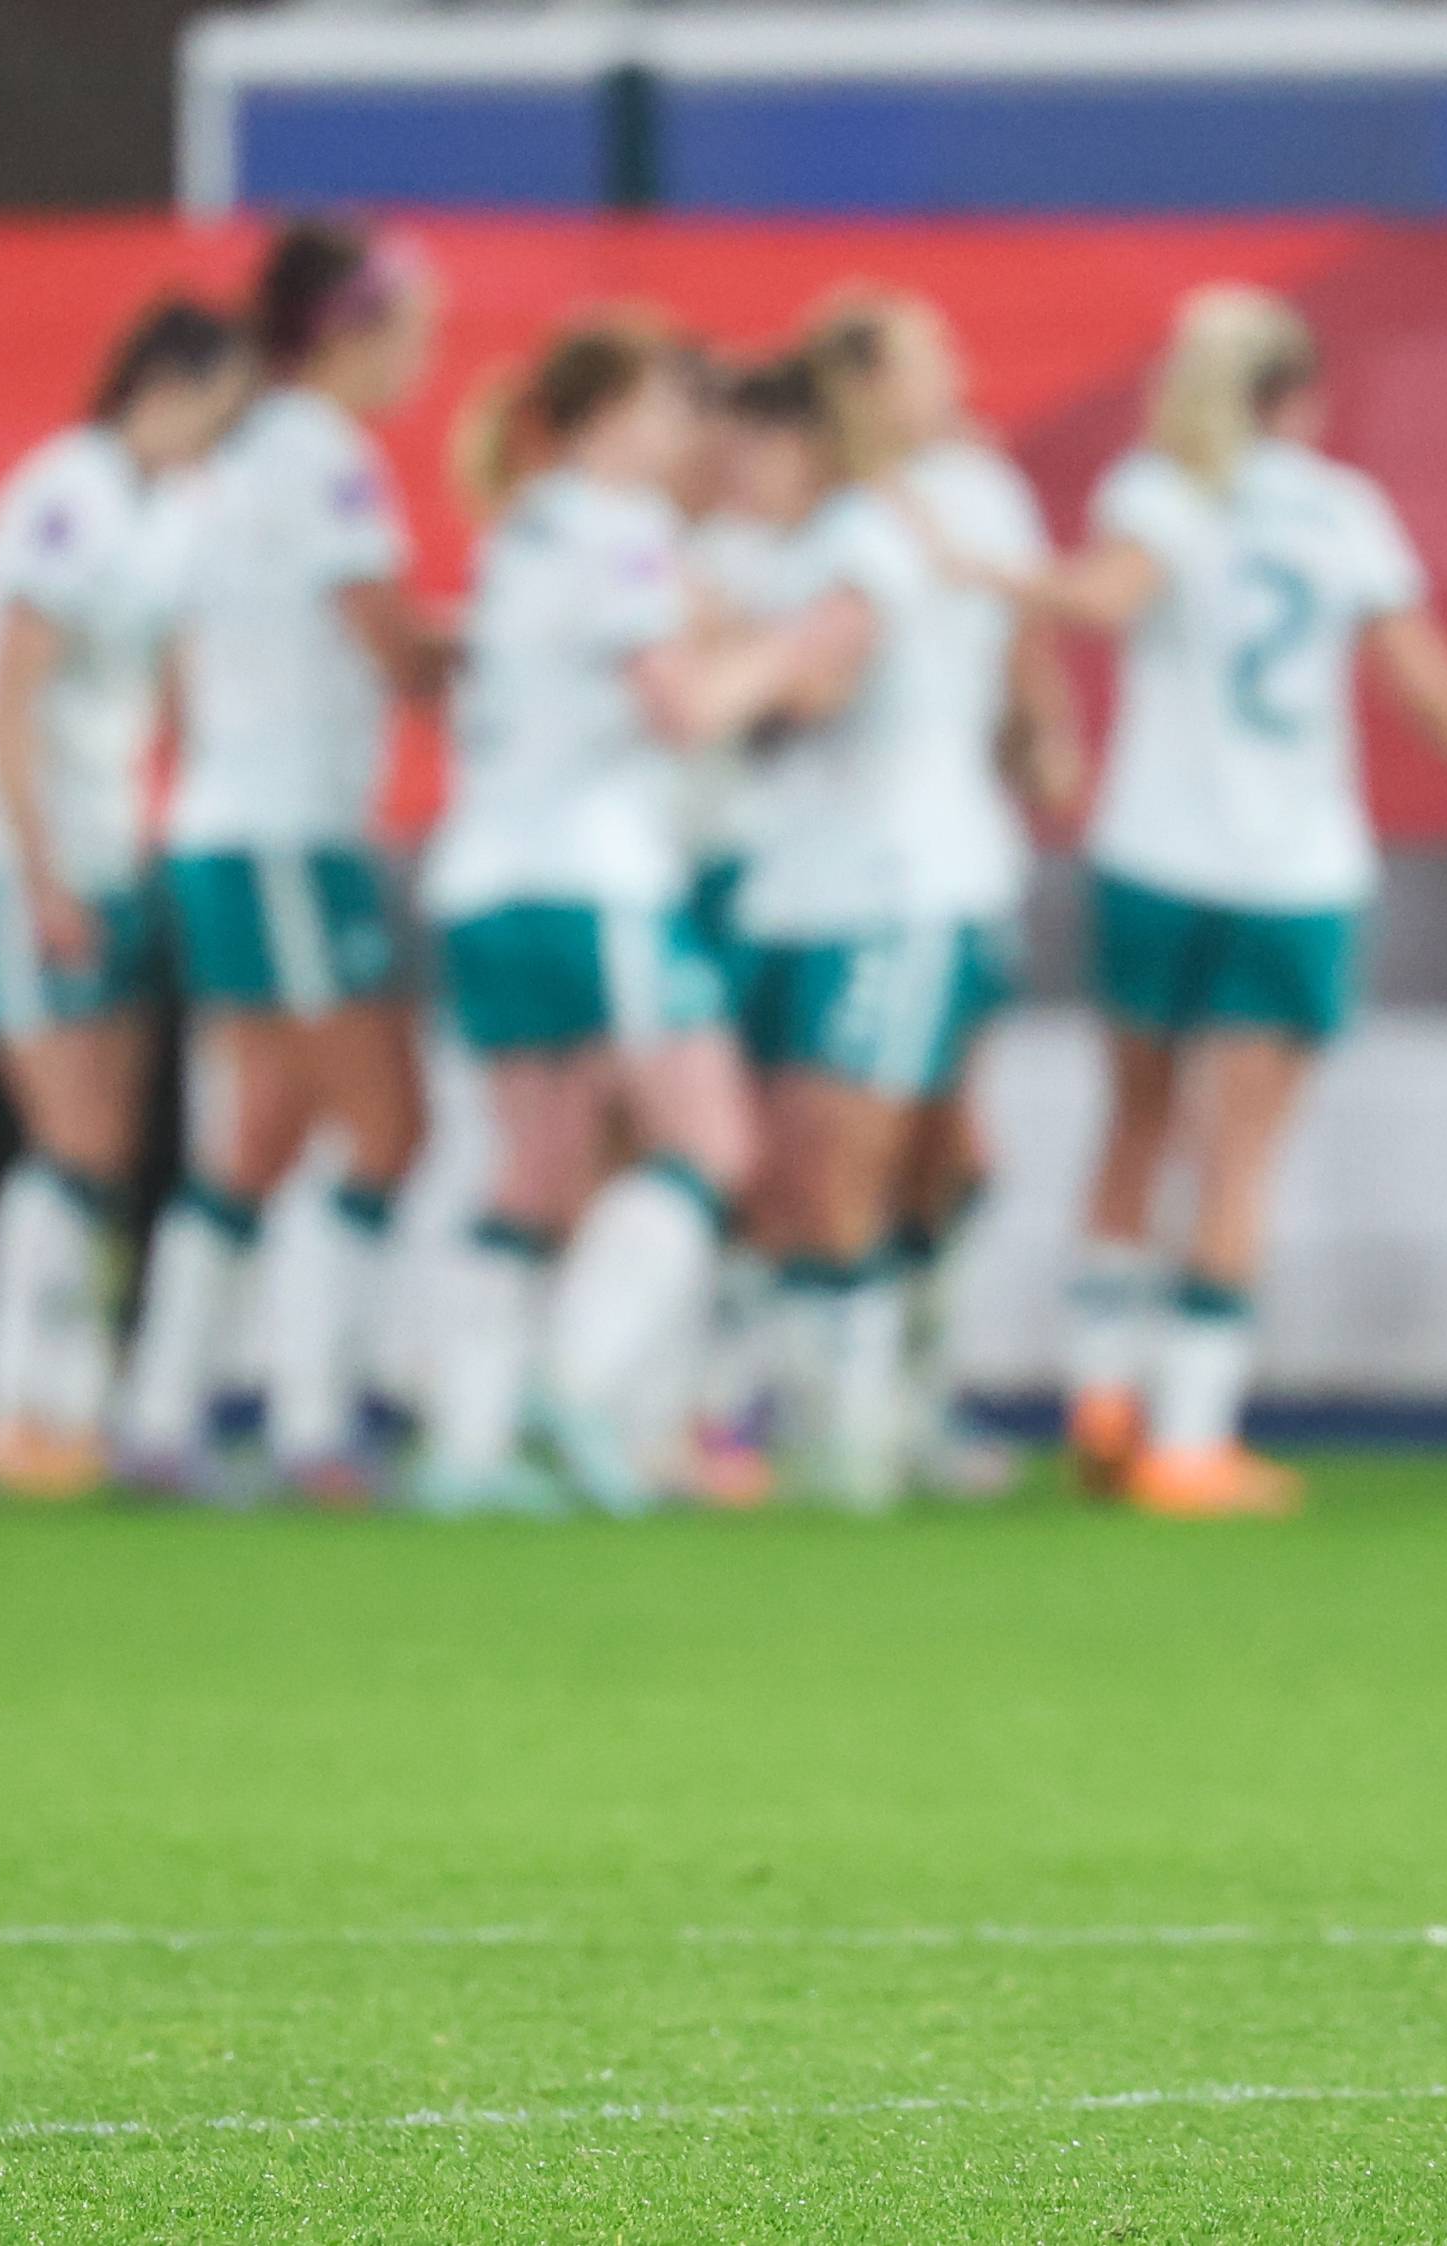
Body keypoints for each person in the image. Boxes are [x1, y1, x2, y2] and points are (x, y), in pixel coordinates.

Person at [1038, 285, 1447, 1517]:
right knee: (1241, 1151)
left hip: (1154, 853)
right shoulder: (1338, 510)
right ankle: (1190, 1435)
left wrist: (990, 574)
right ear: (1304, 397)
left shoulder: (1157, 490)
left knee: (1134, 1123)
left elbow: (1103, 599)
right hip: (1289, 868)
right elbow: (1418, 671)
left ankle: (1100, 1392)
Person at [417, 318, 859, 1515]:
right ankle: (574, 1380)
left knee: (535, 1167)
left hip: (482, 875)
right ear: (609, 413)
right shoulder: (620, 530)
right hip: (590, 880)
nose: (685, 432)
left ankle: (464, 1449)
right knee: (709, 1146)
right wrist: (791, 648)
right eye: (667, 406)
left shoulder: (525, 522)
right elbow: (681, 712)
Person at [117, 217, 449, 1499]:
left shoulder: (238, 452)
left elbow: (181, 664)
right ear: (348, 330)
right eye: (409, 329)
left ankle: (159, 1417)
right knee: (387, 1125)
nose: (420, 356)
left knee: (258, 1135)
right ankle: (314, 1425)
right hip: (288, 837)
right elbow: (391, 641)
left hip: (228, 827)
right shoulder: (319, 452)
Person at [0, 300, 250, 1497]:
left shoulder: (173, 509)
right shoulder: (69, 496)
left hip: (106, 851)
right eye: (219, 404)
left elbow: (172, 693)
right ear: (164, 384)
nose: (226, 431)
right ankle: (12, 1406)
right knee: (70, 1139)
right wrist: (43, 872)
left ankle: (75, 1401)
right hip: (6, 856)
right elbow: (6, 701)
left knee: (107, 1142)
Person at [707, 349, 998, 1509]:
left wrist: (691, 672)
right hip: (793, 888)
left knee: (844, 1157)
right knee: (783, 1168)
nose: (736, 467)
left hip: (891, 891)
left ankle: (864, 1436)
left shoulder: (861, 537)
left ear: (812, 445)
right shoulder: (783, 550)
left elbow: (818, 681)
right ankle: (811, 1423)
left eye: (757, 445)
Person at [806, 287, 1082, 1491]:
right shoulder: (824, 500)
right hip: (852, 866)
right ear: (863, 383)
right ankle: (835, 1417)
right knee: (843, 1138)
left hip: (965, 861)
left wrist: (1044, 734)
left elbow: (1021, 641)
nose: (954, 377)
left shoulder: (980, 490)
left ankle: (913, 1400)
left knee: (945, 1146)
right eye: (929, 360)